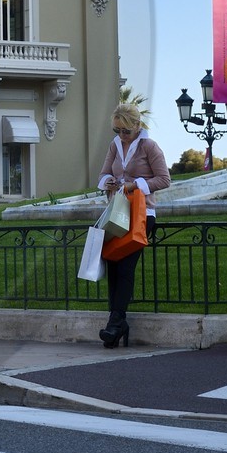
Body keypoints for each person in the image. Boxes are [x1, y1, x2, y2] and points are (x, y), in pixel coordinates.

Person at [95, 102, 170, 348]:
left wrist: (135, 185)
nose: (122, 135)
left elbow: (164, 179)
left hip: (141, 214)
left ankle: (115, 323)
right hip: (117, 213)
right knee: (113, 265)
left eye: (126, 130)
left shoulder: (149, 146)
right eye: (117, 130)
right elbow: (104, 173)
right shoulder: (115, 145)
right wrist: (108, 182)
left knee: (126, 266)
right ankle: (116, 324)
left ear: (137, 126)